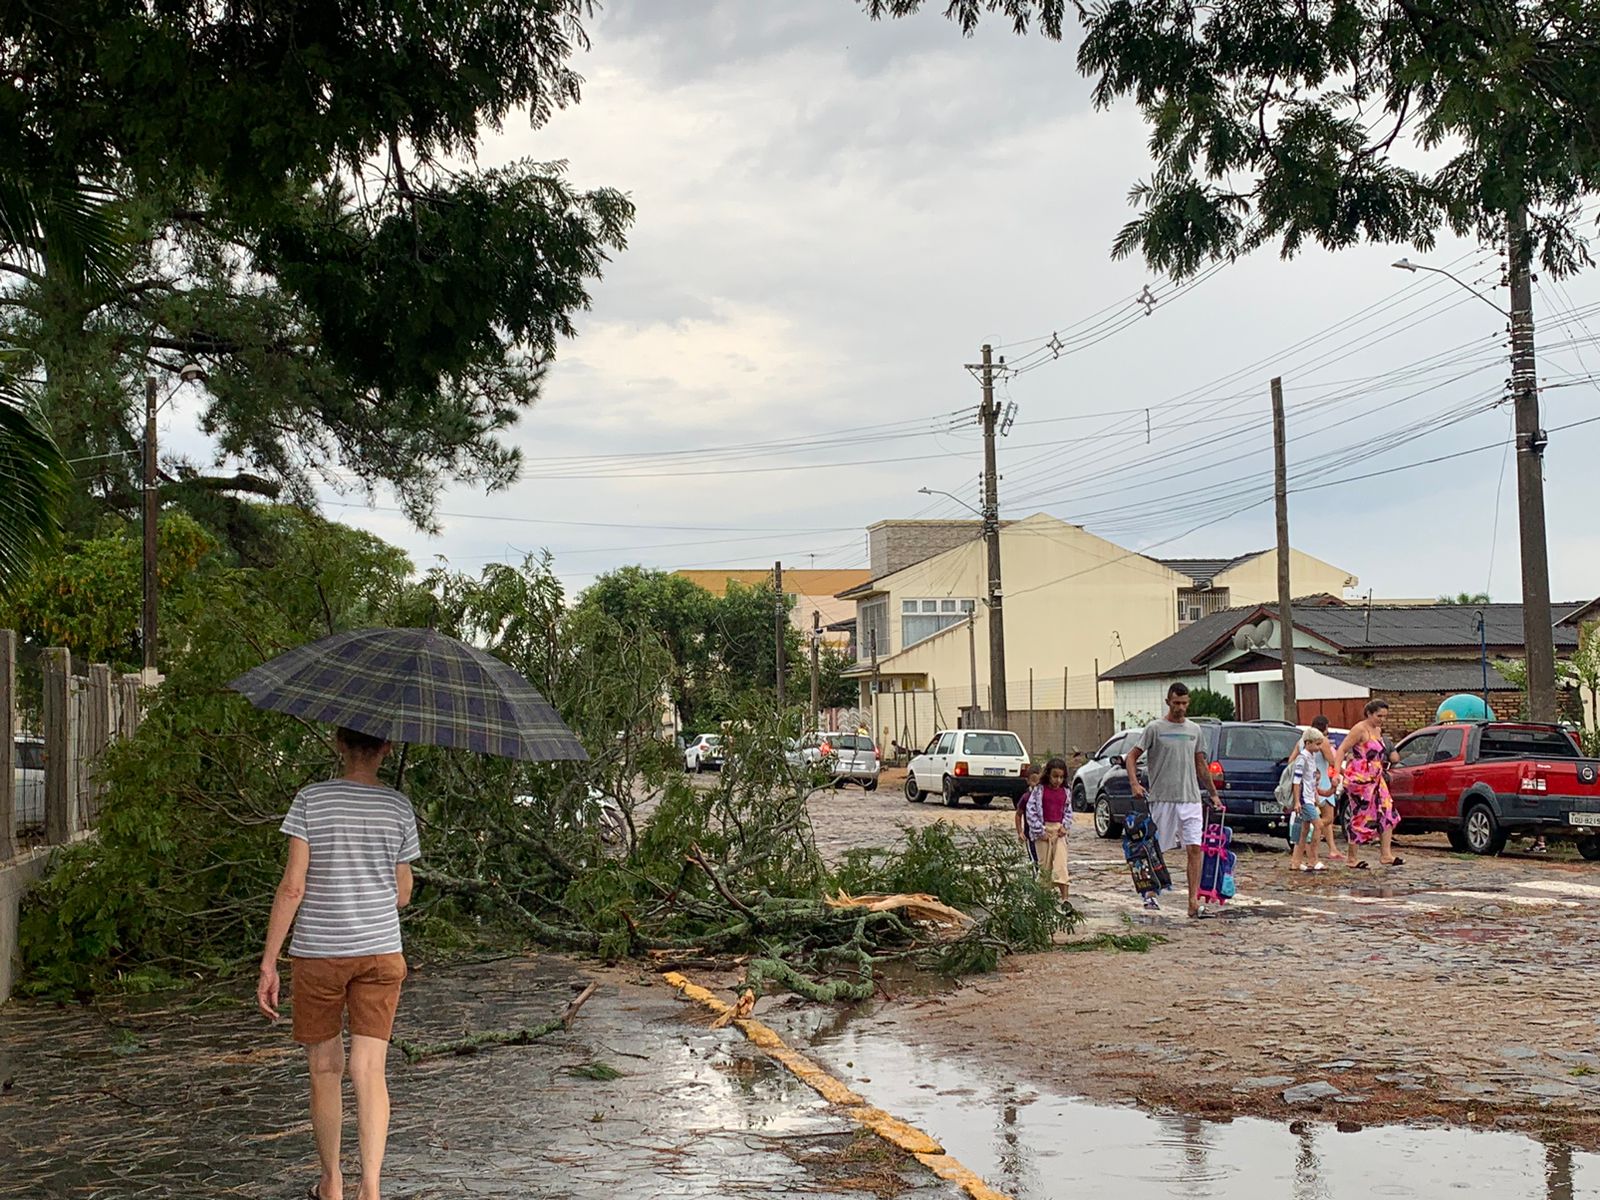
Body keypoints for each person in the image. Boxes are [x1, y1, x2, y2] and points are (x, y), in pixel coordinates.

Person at [258, 727, 422, 1200]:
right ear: (387, 748)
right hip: (380, 954)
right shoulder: (398, 807)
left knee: (325, 1068)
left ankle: (332, 1182)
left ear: (338, 742)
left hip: (319, 954)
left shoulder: (311, 800)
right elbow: (404, 892)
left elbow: (293, 886)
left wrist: (270, 960)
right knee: (370, 1069)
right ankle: (371, 1187)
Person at [1126, 682, 1224, 918]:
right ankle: (1149, 893)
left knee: (1194, 848)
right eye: (1176, 703)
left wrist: (1212, 793)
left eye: (1184, 703)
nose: (1180, 707)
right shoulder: (1155, 728)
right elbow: (1131, 756)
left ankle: (1192, 902)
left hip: (1190, 798)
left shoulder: (1195, 730)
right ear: (1168, 702)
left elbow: (1200, 764)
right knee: (1154, 848)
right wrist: (1134, 783)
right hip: (1163, 798)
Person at [1332, 699, 1403, 869]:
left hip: (1377, 777)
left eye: (1385, 716)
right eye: (1379, 716)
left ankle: (1386, 854)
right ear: (1369, 713)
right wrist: (1336, 772)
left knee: (1387, 810)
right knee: (1361, 814)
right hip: (1361, 777)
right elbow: (1342, 749)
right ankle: (1352, 857)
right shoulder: (1359, 729)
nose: (1382, 720)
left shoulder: (1378, 730)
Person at [1288, 728, 1336, 872]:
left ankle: (1296, 861)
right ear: (1308, 743)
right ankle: (1313, 859)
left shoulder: (1311, 757)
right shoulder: (1302, 758)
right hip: (1304, 799)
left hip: (1310, 797)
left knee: (1304, 830)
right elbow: (1297, 781)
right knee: (1318, 825)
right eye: (1317, 744)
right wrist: (1297, 801)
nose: (1319, 747)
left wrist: (1322, 792)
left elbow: (1312, 781)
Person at [1025, 756, 1073, 901]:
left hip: (1059, 831)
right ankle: (1042, 900)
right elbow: (1030, 810)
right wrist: (1039, 830)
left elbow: (1068, 811)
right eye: (1055, 776)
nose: (1057, 780)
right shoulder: (1039, 791)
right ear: (1048, 775)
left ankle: (1065, 900)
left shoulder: (1065, 792)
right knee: (1044, 867)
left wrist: (1065, 826)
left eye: (1061, 777)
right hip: (1043, 831)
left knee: (1061, 864)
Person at [1015, 764, 1042, 871]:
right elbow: (1018, 814)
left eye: (1039, 782)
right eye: (1033, 781)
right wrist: (1020, 832)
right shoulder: (1026, 797)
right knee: (1034, 860)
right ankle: (1036, 881)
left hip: (1043, 834)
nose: (1036, 785)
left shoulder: (1045, 796)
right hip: (1030, 836)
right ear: (1028, 781)